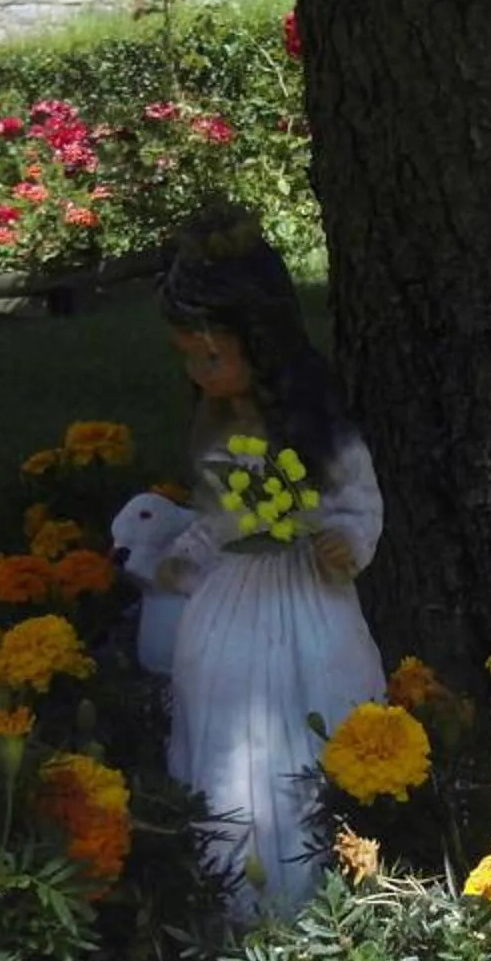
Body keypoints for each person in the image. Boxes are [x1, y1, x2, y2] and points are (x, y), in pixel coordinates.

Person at [152, 208, 385, 919]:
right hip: (234, 597)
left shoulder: (314, 426)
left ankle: (327, 881)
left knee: (312, 719)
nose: (198, 373)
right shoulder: (215, 424)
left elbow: (357, 497)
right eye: (188, 358)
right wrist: (189, 554)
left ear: (259, 341)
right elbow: (216, 514)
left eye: (210, 357)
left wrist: (345, 541)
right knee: (222, 709)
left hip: (305, 591)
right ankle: (233, 887)